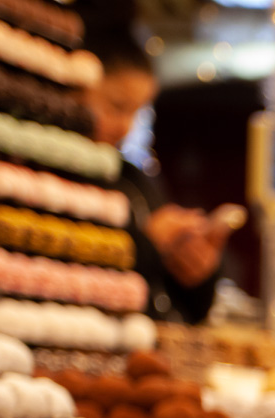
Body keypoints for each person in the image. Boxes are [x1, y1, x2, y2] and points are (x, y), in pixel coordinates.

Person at [83, 36, 229, 324]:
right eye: (116, 106)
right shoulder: (43, 174)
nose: (125, 127)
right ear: (74, 91)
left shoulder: (135, 180)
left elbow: (184, 309)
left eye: (136, 112)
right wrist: (148, 244)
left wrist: (197, 271)